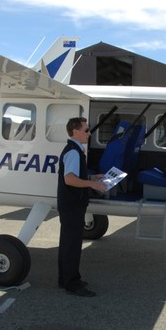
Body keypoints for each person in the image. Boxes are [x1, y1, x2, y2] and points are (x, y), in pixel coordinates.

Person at [57, 117, 107, 297]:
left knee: (68, 244)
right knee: (71, 245)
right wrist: (92, 185)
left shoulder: (76, 151)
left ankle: (66, 279)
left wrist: (93, 178)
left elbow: (75, 175)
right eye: (86, 130)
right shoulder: (73, 152)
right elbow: (69, 179)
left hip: (71, 205)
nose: (89, 133)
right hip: (72, 206)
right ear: (75, 131)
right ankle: (72, 284)